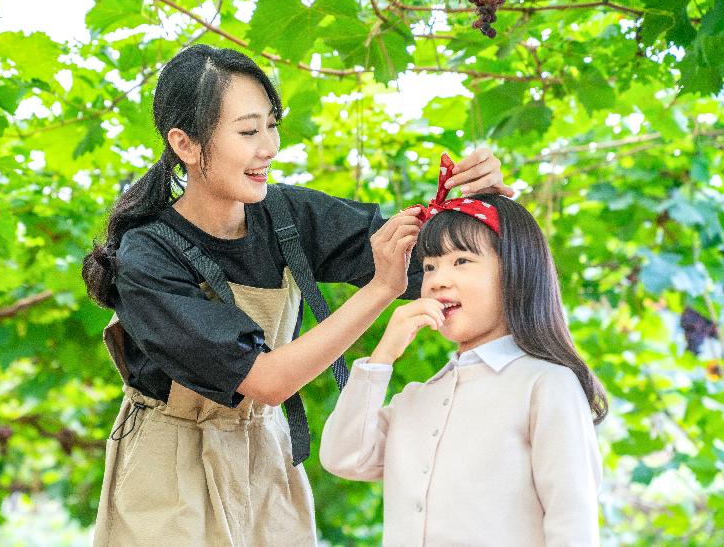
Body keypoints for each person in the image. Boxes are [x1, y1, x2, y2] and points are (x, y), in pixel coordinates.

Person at [82, 46, 512, 546]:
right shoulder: (147, 256)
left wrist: (486, 205)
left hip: (266, 458)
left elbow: (433, 268)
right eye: (248, 131)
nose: (268, 147)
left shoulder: (288, 215)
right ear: (185, 143)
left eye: (272, 125)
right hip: (168, 472)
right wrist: (380, 289)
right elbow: (265, 381)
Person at [319, 154, 608, 546]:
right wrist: (381, 358)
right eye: (431, 266)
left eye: (461, 261)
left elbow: (573, 528)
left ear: (515, 271)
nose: (439, 280)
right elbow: (343, 456)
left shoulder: (546, 385)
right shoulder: (415, 400)